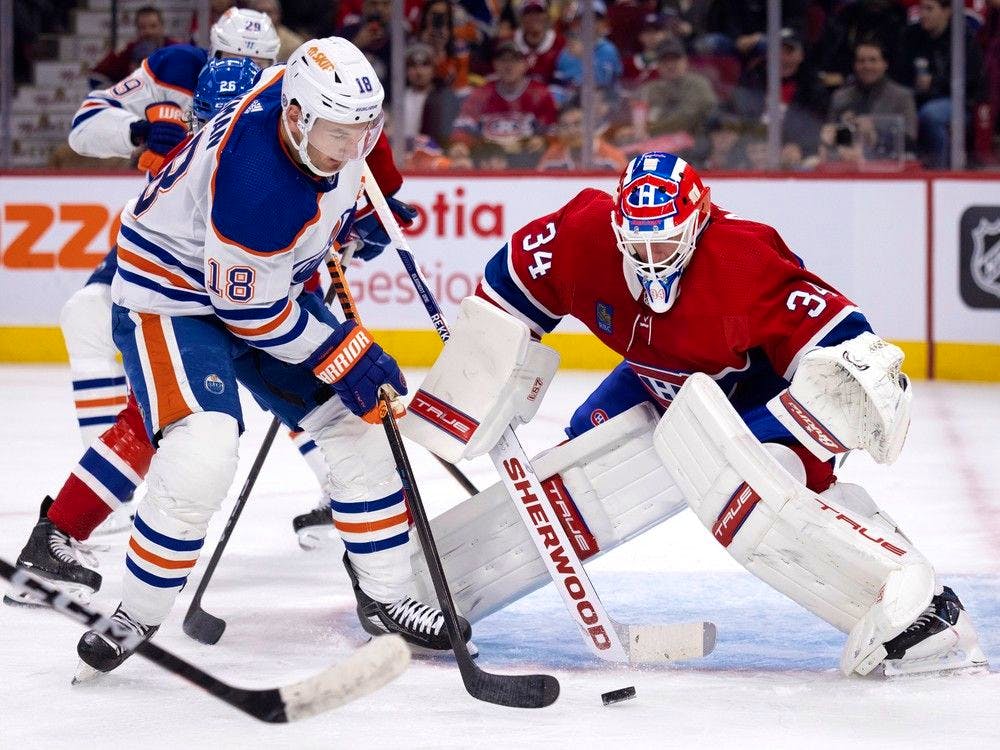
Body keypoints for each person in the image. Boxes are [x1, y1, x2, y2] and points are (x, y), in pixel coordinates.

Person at [425, 150, 986, 677]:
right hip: (658, 379)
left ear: (696, 224)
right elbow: (502, 300)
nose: (649, 262)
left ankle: (925, 613)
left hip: (752, 397)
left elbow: (850, 353)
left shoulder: (743, 259)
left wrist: (808, 421)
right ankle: (426, 585)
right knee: (580, 460)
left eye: (664, 246)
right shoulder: (581, 235)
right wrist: (478, 388)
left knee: (757, 489)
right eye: (636, 246)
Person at [70, 37, 470, 679]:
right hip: (174, 296)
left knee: (353, 431)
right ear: (295, 117)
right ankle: (136, 612)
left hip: (261, 285)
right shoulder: (255, 178)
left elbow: (363, 164)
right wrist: (345, 355)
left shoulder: (339, 118)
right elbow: (250, 316)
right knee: (202, 449)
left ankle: (387, 594)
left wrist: (368, 212)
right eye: (338, 136)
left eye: (363, 132)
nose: (353, 149)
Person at [891, 0, 986, 168]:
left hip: (956, 102)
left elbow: (970, 80)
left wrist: (935, 83)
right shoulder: (911, 36)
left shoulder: (963, 39)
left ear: (947, 11)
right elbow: (899, 73)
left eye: (929, 9)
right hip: (915, 97)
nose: (923, 14)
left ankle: (940, 169)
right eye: (921, 9)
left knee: (930, 115)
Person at [449, 41, 558, 169]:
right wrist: (461, 144)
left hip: (528, 163)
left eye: (515, 60)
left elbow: (553, 132)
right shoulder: (481, 94)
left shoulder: (540, 94)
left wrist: (543, 141)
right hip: (487, 163)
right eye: (503, 60)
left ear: (525, 64)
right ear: (495, 64)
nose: (509, 66)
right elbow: (462, 129)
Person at [827, 40, 918, 149]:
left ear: (885, 64)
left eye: (873, 60)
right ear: (855, 65)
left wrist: (876, 136)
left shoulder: (902, 96)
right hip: (848, 160)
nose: (867, 66)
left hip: (889, 162)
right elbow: (831, 136)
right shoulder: (840, 96)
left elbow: (910, 138)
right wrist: (845, 131)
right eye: (861, 61)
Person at [90, 5, 180, 87]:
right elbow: (96, 75)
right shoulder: (129, 50)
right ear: (137, 29)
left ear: (162, 27)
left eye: (153, 26)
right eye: (143, 27)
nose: (148, 31)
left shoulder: (176, 49)